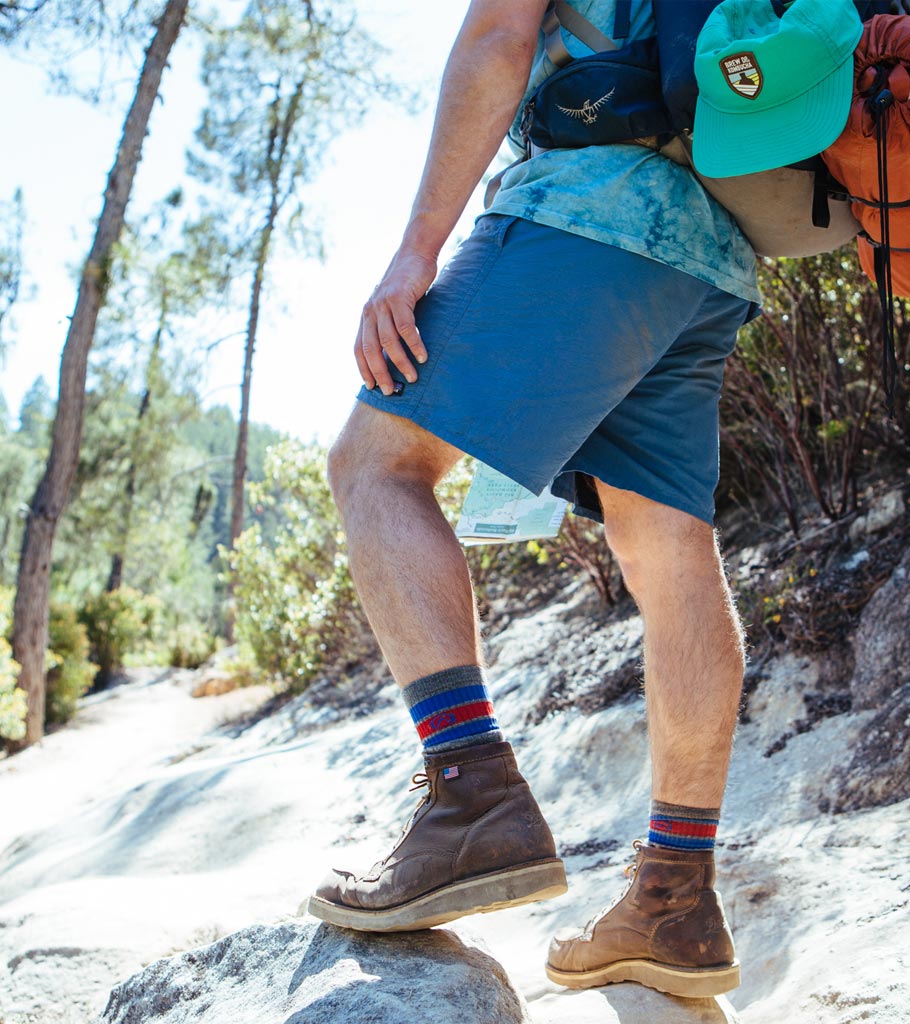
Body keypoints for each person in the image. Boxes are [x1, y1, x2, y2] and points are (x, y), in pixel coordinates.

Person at [306, 0, 770, 1000]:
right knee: (668, 546)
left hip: (588, 204)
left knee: (375, 463)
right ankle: (675, 899)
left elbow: (498, 35)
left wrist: (416, 248)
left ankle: (470, 795)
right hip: (715, 244)